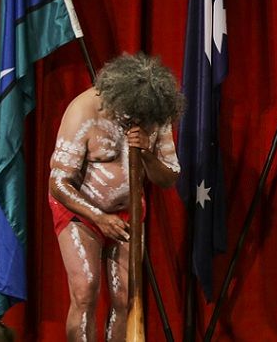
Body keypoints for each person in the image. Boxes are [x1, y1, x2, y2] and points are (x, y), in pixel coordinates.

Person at [48, 53, 184, 341]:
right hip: (81, 212)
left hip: (129, 213)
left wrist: (147, 152)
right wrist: (99, 217)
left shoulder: (154, 113)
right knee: (85, 291)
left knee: (125, 299)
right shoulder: (84, 110)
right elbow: (58, 183)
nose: (137, 119)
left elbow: (169, 178)